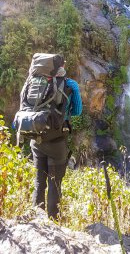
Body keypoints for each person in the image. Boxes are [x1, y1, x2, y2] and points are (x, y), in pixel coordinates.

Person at [30, 65, 82, 220]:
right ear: (61, 67)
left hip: (37, 139)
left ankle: (36, 219)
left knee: (39, 181)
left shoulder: (34, 82)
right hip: (56, 142)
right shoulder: (70, 84)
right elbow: (77, 111)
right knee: (55, 183)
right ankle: (53, 222)